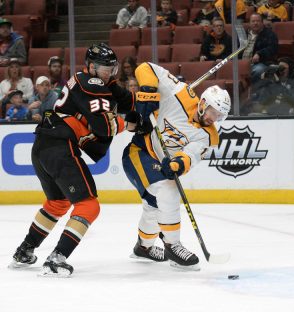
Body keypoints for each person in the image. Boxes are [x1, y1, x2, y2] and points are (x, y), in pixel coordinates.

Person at [9, 43, 136, 277]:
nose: (110, 72)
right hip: (60, 147)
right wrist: (128, 124)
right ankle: (57, 257)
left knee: (57, 203)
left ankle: (24, 251)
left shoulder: (82, 79)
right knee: (89, 205)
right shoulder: (93, 84)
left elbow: (124, 99)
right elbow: (103, 126)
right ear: (91, 67)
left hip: (42, 146)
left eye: (112, 67)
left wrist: (143, 100)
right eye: (106, 68)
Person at [122, 62, 231, 270]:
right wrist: (148, 91)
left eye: (218, 116)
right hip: (139, 152)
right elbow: (146, 68)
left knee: (154, 205)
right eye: (211, 111)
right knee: (169, 191)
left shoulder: (209, 136)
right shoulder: (181, 94)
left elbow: (191, 156)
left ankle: (143, 248)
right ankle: (172, 245)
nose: (211, 118)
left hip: (161, 164)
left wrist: (177, 164)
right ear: (204, 102)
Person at [240, 13, 279, 82]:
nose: (255, 23)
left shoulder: (269, 34)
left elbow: (272, 48)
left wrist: (259, 54)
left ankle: (253, 90)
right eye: (253, 21)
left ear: (262, 23)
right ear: (249, 23)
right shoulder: (243, 35)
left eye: (258, 21)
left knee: (259, 70)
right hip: (241, 63)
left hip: (259, 63)